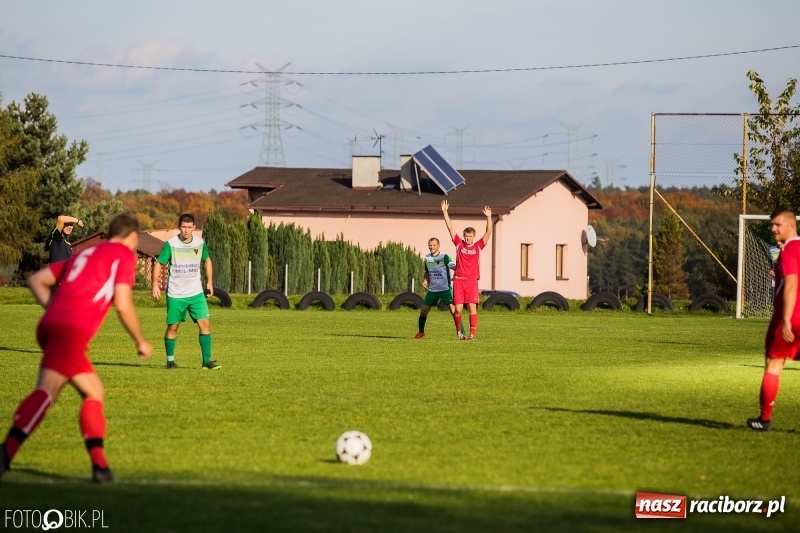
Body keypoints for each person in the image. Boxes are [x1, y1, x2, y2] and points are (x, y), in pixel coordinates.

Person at [0, 213, 152, 484]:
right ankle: (6, 453)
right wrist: (140, 340)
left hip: (53, 327)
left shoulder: (88, 253)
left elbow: (37, 280)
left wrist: (52, 309)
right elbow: (123, 303)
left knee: (93, 391)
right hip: (70, 332)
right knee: (47, 393)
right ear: (131, 237)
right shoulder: (122, 255)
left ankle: (100, 468)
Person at [747, 208, 800, 431]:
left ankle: (765, 419)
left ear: (790, 225)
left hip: (789, 318)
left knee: (773, 366)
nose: (773, 229)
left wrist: (786, 319)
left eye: (777, 224)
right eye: (772, 225)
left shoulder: (788, 251)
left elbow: (791, 284)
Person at [151, 213, 220, 370]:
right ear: (179, 227)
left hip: (196, 293)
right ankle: (170, 362)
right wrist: (155, 284)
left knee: (205, 324)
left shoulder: (199, 243)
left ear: (194, 228)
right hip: (176, 294)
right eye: (184, 227)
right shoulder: (171, 244)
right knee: (173, 327)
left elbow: (207, 260)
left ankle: (206, 362)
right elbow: (159, 263)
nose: (186, 230)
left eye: (189, 227)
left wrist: (209, 281)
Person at [441, 200, 492, 341]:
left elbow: (488, 232)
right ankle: (459, 332)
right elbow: (450, 228)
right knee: (457, 309)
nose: (468, 238)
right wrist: (445, 212)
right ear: (464, 236)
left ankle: (472, 335)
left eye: (470, 236)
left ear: (474, 237)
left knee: (472, 308)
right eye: (466, 236)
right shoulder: (459, 244)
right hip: (459, 281)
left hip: (471, 282)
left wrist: (488, 216)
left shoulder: (478, 247)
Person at [414, 237, 462, 339]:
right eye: (430, 245)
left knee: (454, 311)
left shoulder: (444, 257)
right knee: (423, 310)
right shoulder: (427, 258)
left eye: (434, 245)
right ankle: (421, 332)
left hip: (445, 289)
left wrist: (458, 273)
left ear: (438, 246)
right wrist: (426, 280)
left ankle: (461, 333)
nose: (432, 247)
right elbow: (427, 272)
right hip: (433, 290)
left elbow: (454, 267)